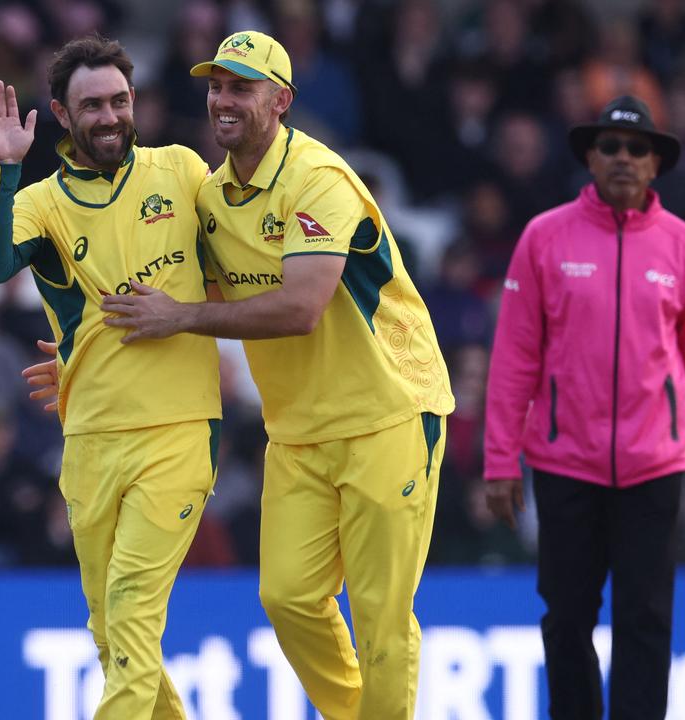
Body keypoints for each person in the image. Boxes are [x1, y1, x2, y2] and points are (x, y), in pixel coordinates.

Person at [84, 30, 454, 720]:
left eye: (241, 88)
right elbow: (182, 288)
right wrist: (81, 355)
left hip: (389, 413)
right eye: (217, 86)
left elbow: (302, 307)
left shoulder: (320, 178)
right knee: (287, 599)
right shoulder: (213, 195)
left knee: (380, 615)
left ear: (281, 100)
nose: (223, 101)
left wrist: (182, 317)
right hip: (300, 430)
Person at [0, 35, 221, 719]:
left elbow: (240, 262)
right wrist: (3, 169)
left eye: (119, 100)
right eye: (92, 105)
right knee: (112, 635)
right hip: (89, 438)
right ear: (60, 112)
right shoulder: (45, 200)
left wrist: (188, 314)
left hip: (177, 430)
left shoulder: (181, 169)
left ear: (133, 101)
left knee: (134, 613)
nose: (109, 116)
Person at [482, 95, 685, 720]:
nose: (624, 159)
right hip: (563, 464)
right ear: (590, 159)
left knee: (647, 618)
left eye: (637, 149)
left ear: (656, 164)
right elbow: (514, 358)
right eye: (610, 147)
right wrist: (500, 461)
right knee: (566, 616)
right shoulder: (544, 238)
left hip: (654, 467)